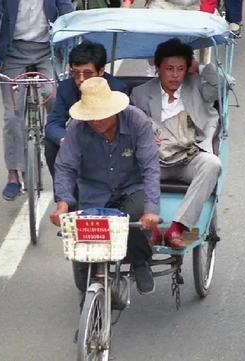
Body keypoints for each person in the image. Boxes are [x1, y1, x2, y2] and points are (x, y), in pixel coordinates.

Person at [50, 77, 161, 294]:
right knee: (84, 260)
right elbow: (65, 166)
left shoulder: (136, 121)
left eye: (100, 114)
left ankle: (140, 262)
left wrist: (151, 210)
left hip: (131, 186)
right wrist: (63, 203)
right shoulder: (77, 128)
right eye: (90, 116)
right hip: (94, 190)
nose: (95, 121)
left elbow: (150, 167)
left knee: (136, 217)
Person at [131, 38, 223, 249]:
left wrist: (198, 67)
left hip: (189, 157)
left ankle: (178, 228)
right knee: (126, 164)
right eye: (169, 69)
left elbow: (225, 84)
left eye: (180, 69)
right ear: (158, 68)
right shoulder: (141, 93)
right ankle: (150, 225)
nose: (174, 75)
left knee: (212, 164)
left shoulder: (198, 87)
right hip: (154, 161)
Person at [0, 0, 73, 200]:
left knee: (54, 96)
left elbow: (68, 17)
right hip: (13, 53)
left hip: (47, 51)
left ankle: (64, 167)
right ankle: (13, 174)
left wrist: (71, 56)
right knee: (13, 115)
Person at [44, 40, 129, 181]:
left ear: (101, 71)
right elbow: (53, 123)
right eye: (76, 73)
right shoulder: (66, 88)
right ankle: (63, 194)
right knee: (50, 145)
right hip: (78, 138)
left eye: (88, 73)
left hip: (106, 141)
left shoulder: (118, 89)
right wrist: (64, 139)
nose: (81, 80)